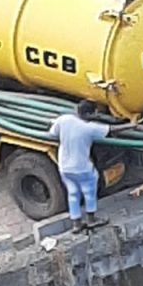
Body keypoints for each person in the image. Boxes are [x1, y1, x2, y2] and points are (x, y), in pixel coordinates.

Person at [50, 100, 112, 233]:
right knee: (89, 193)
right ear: (89, 114)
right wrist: (133, 125)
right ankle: (91, 220)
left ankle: (76, 224)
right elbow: (111, 130)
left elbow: (53, 134)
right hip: (83, 168)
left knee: (72, 194)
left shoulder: (64, 119)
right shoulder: (90, 128)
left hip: (65, 168)